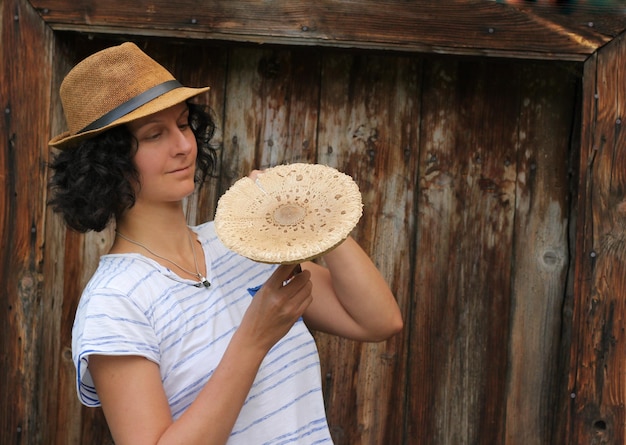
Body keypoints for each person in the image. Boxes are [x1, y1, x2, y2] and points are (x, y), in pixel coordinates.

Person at [48, 42, 403, 445]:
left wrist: (308, 210)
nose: (183, 146)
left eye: (183, 125)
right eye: (154, 135)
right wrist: (252, 340)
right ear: (106, 164)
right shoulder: (114, 303)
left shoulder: (241, 243)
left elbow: (378, 321)